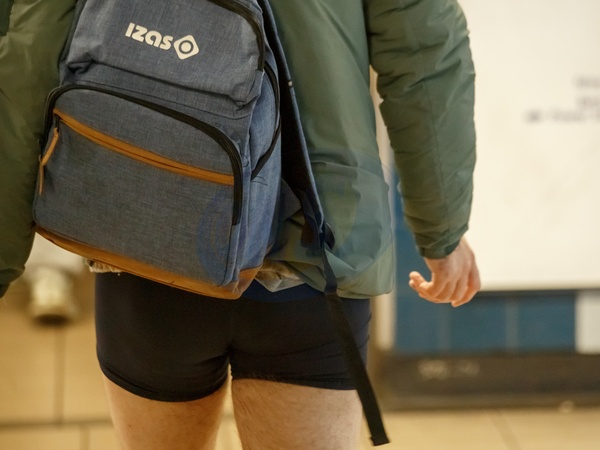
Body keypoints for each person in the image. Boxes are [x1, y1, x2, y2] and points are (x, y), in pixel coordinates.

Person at [1, 0, 480, 449]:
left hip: (150, 224)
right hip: (313, 240)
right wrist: (441, 228)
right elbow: (424, 56)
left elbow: (26, 58)